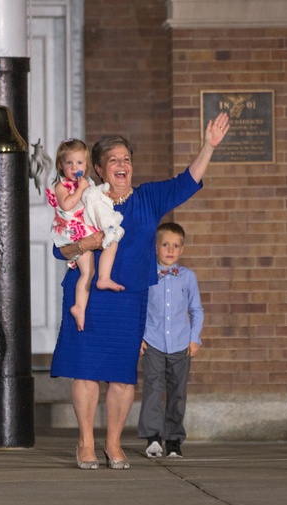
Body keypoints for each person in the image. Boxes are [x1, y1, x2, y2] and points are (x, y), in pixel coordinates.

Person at [50, 112, 230, 470]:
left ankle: (113, 444)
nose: (122, 165)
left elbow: (187, 180)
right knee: (84, 371)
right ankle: (85, 442)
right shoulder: (83, 196)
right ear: (99, 169)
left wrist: (208, 146)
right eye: (113, 160)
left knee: (120, 375)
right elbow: (60, 249)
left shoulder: (147, 198)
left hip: (130, 297)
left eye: (127, 159)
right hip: (87, 294)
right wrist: (86, 242)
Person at [138, 222, 204, 459]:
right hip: (153, 341)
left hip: (180, 344)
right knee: (153, 390)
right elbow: (139, 307)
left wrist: (194, 338)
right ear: (156, 247)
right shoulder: (146, 275)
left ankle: (174, 440)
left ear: (182, 250)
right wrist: (139, 337)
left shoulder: (188, 277)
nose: (170, 249)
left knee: (177, 392)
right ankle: (153, 438)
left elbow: (196, 310)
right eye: (165, 244)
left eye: (175, 246)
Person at [46, 138, 124, 331]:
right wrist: (80, 190)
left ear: (86, 165)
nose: (74, 167)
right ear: (61, 166)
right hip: (73, 230)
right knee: (87, 271)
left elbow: (94, 201)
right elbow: (66, 205)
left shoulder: (88, 182)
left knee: (112, 241)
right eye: (69, 163)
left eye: (79, 162)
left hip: (88, 224)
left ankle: (104, 277)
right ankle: (79, 307)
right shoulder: (61, 185)